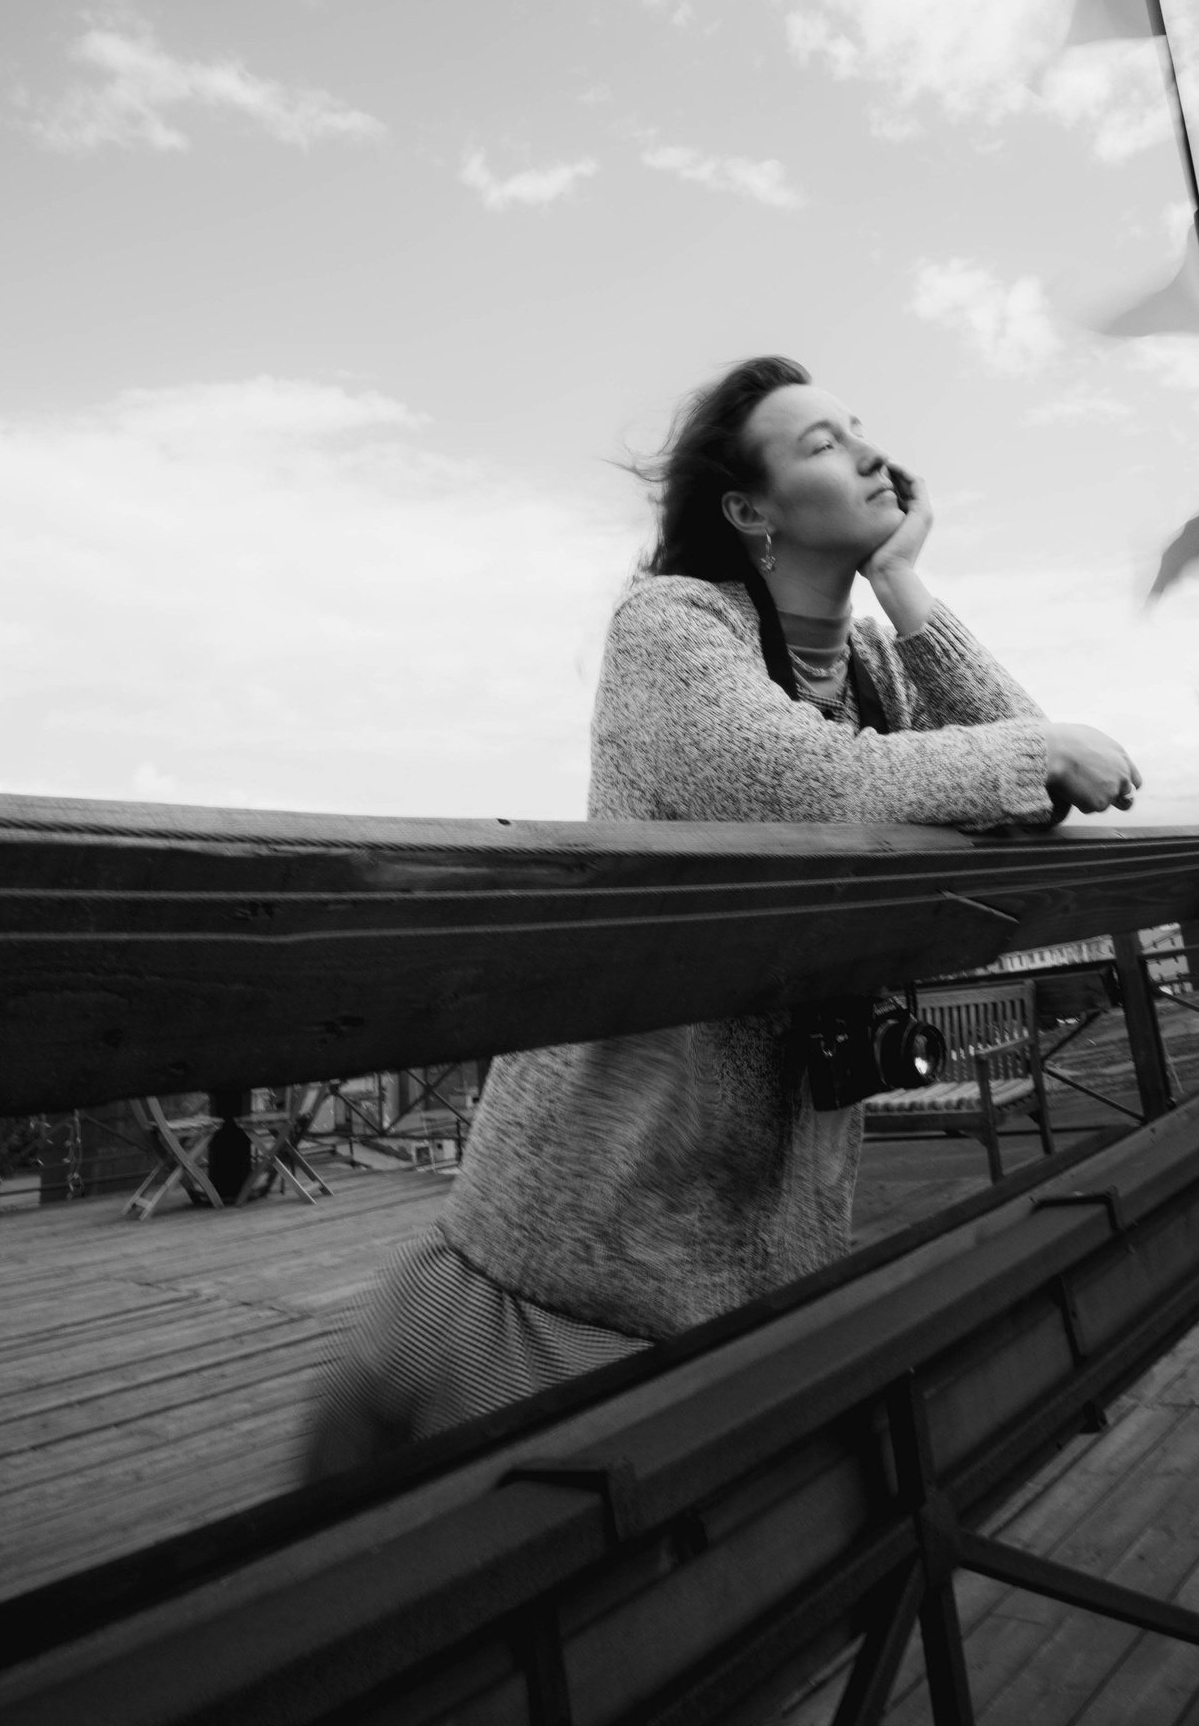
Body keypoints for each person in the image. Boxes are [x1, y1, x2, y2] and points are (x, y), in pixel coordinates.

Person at [304, 354, 1139, 1474]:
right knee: (513, 1539)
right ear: (750, 510)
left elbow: (1049, 776)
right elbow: (798, 782)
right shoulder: (672, 626)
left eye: (860, 427)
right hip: (599, 1213)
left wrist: (905, 585)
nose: (872, 453)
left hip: (768, 1218)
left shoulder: (876, 670)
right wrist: (1035, 754)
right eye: (824, 444)